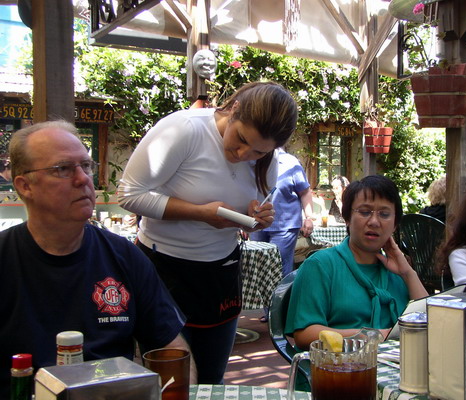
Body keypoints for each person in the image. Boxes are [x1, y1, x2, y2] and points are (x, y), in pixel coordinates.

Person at [118, 81, 298, 383]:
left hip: (220, 272)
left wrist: (257, 219)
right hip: (163, 267)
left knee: (212, 376)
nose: (243, 154)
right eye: (241, 139)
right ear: (235, 109)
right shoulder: (184, 129)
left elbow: (254, 211)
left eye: (258, 151)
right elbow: (129, 195)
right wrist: (200, 213)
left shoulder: (267, 160)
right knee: (171, 378)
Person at [0, 121, 193, 399]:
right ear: (25, 185)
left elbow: (171, 349)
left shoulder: (125, 256)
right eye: (63, 169)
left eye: (86, 166)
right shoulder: (6, 259)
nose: (83, 179)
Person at [285, 175, 428, 350]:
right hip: (340, 363)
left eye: (384, 214)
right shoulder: (321, 265)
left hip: (400, 363)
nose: (374, 222)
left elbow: (430, 321)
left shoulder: (399, 271)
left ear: (395, 224)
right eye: (365, 212)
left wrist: (408, 273)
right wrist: (371, 336)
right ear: (347, 218)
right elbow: (304, 334)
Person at [250, 148, 314, 322]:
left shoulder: (290, 162)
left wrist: (309, 217)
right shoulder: (253, 159)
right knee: (261, 268)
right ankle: (270, 312)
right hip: (257, 224)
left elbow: (305, 192)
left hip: (284, 225)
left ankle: (282, 313)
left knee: (280, 268)